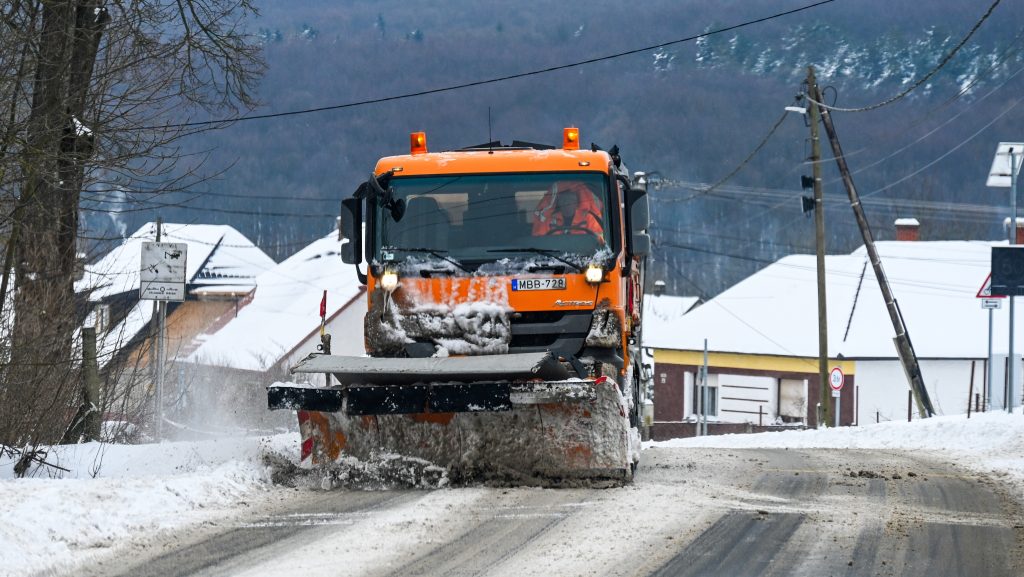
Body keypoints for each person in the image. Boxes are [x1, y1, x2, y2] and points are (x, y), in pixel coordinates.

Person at [531, 181, 604, 238]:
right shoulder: (549, 220)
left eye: (571, 200)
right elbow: (540, 241)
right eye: (564, 200)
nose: (567, 203)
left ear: (577, 202)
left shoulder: (589, 218)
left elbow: (597, 240)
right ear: (559, 203)